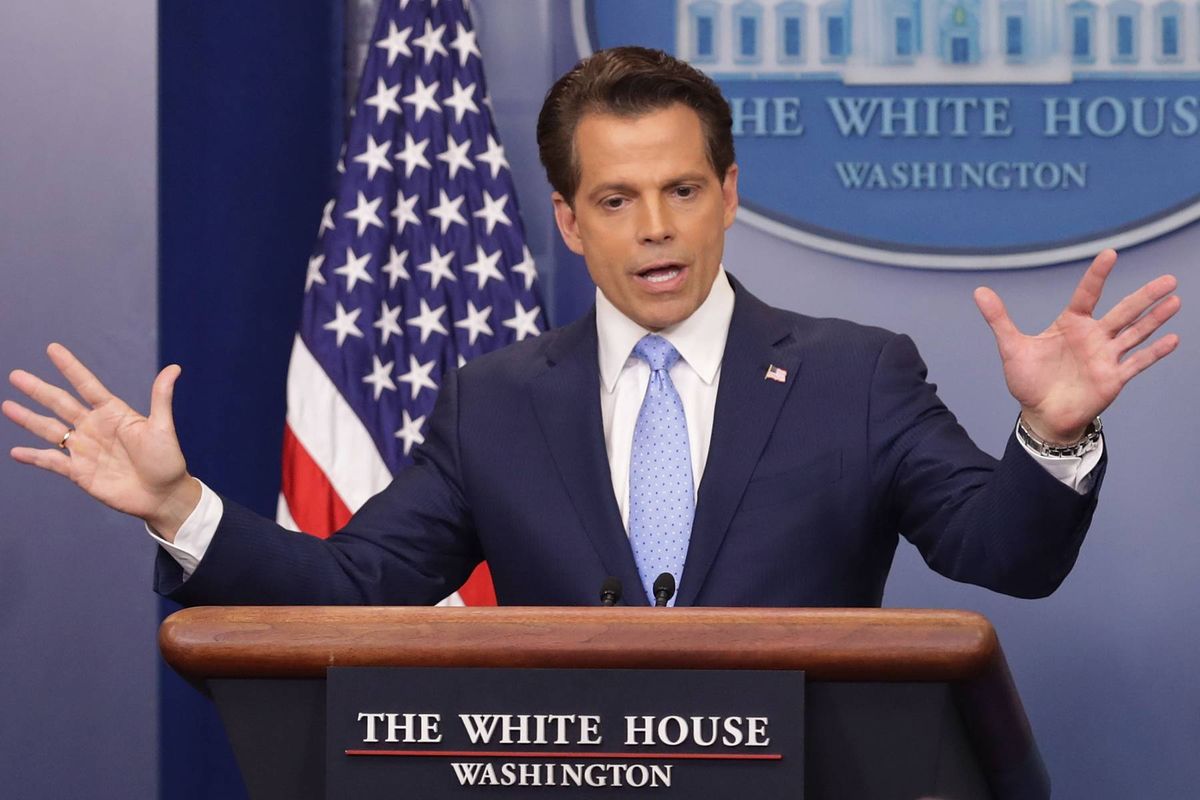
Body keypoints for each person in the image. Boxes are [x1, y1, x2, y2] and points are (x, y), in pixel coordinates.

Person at [3, 47, 1181, 607]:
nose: (655, 227)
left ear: (728, 192)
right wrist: (178, 506)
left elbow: (1006, 554)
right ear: (569, 221)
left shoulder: (858, 375)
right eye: (616, 200)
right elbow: (354, 584)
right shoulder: (495, 401)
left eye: (682, 190)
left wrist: (1049, 433)